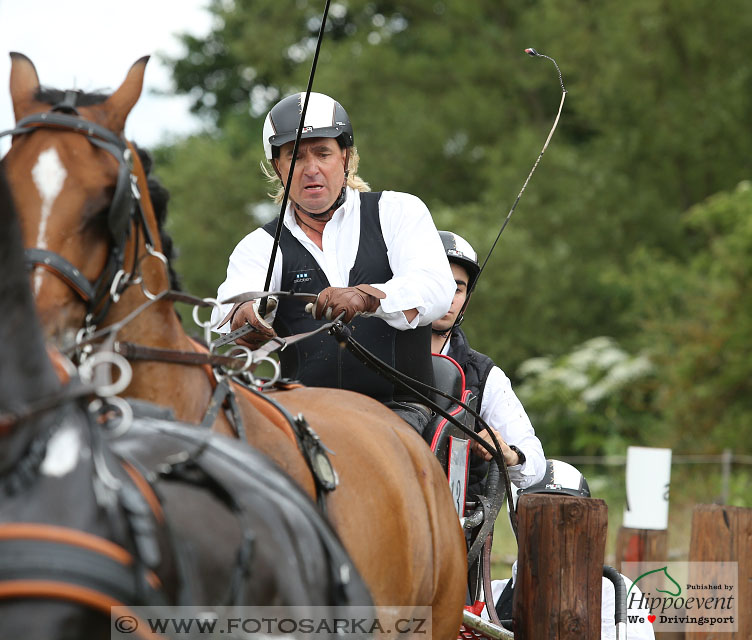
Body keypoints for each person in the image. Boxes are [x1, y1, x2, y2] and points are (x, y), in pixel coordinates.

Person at [212, 92, 455, 431]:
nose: (311, 168)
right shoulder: (258, 246)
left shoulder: (398, 210)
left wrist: (368, 297)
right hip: (301, 417)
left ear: (345, 157)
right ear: (278, 167)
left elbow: (436, 288)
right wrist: (245, 317)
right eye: (295, 156)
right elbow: (228, 311)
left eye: (323, 153)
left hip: (398, 411)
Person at [486, 459, 655, 640]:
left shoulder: (616, 591)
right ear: (516, 519)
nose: (552, 523)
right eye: (538, 513)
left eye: (566, 512)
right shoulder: (492, 595)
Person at [430, 230, 545, 489]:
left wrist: (509, 453)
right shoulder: (378, 355)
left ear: (466, 300)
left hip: (454, 518)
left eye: (457, 289)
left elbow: (535, 465)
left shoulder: (484, 375)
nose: (447, 297)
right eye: (437, 283)